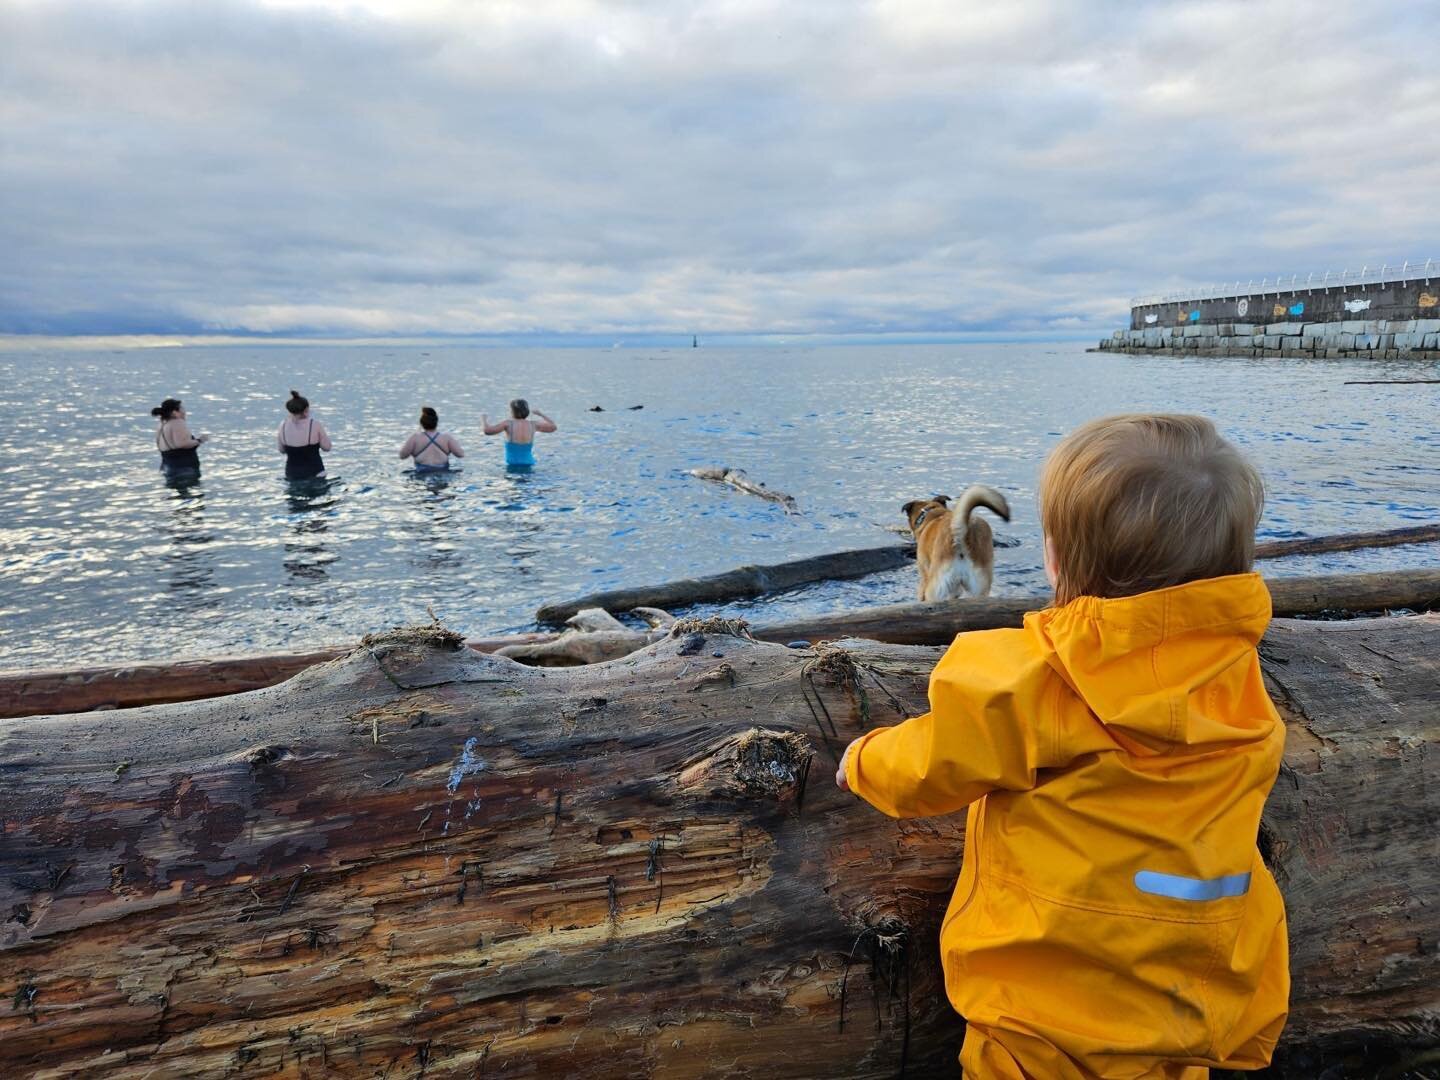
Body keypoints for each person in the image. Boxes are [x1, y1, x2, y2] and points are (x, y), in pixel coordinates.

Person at [837, 414, 1288, 1079]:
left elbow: (934, 759)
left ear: (1054, 559)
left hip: (1043, 1016)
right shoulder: (1238, 679)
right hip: (1190, 1000)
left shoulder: (1043, 679)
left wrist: (862, 760)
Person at [482, 399, 555, 470]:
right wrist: (541, 414)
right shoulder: (533, 424)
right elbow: (553, 427)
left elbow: (487, 431)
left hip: (512, 465)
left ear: (512, 412)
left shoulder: (508, 424)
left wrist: (484, 419)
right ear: (527, 411)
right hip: (528, 464)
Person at [277, 390, 332, 481]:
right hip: (316, 473)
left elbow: (281, 450)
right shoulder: (314, 424)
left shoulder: (282, 425)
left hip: (291, 474)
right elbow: (327, 447)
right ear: (306, 409)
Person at [398, 406, 465, 473]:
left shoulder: (415, 438)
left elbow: (402, 456)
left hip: (422, 472)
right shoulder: (446, 437)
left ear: (421, 423)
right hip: (443, 471)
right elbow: (461, 454)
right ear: (436, 422)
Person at [152, 398, 207, 477]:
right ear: (175, 412)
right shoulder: (177, 422)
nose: (184, 411)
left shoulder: (162, 424)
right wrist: (200, 440)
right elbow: (181, 444)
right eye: (182, 408)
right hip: (183, 467)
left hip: (167, 464)